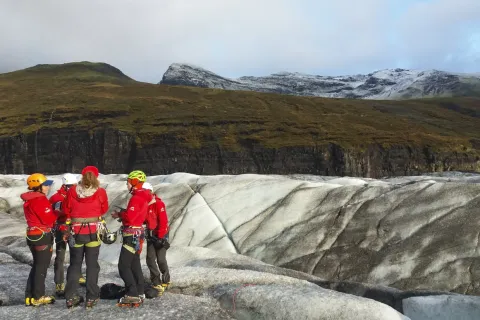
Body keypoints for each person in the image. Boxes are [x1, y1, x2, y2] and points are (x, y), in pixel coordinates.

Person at [63, 166, 109, 309]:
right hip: (93, 232)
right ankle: (92, 296)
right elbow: (104, 208)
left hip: (76, 232)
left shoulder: (72, 191)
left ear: (82, 177)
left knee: (75, 265)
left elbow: (66, 209)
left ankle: (70, 296)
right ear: (96, 177)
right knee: (92, 265)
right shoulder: (100, 192)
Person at [111, 170, 152, 306]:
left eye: (128, 182)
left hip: (131, 235)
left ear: (134, 182)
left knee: (123, 265)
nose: (127, 185)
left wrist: (120, 215)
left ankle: (132, 293)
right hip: (137, 234)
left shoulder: (136, 198)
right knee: (134, 264)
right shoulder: (144, 196)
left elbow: (130, 217)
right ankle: (139, 290)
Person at [22, 173, 56, 306]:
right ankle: (38, 296)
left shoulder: (30, 199)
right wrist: (56, 213)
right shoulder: (40, 200)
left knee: (37, 265)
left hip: (32, 235)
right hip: (42, 236)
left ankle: (29, 295)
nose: (48, 187)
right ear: (38, 186)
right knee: (41, 266)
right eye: (45, 185)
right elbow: (49, 219)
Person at [49, 173, 85, 297]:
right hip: (62, 227)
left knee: (77, 252)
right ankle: (59, 282)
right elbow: (58, 211)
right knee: (60, 255)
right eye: (70, 186)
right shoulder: (56, 197)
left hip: (74, 226)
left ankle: (78, 275)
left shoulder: (78, 194)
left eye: (74, 185)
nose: (72, 188)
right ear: (65, 185)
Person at [142, 182, 171, 295]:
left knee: (160, 259)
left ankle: (166, 279)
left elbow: (163, 221)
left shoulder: (158, 204)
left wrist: (160, 237)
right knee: (150, 259)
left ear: (150, 192)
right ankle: (156, 281)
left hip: (161, 234)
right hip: (150, 234)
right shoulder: (144, 204)